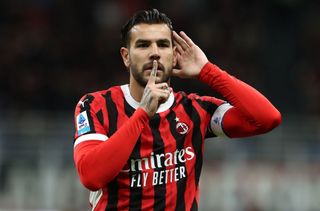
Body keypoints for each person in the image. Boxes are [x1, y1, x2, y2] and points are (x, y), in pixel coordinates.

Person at [73, 9, 281, 211]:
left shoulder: (195, 110)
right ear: (126, 56)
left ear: (173, 55)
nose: (154, 53)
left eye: (162, 45)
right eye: (143, 45)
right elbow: (91, 176)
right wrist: (143, 113)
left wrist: (208, 71)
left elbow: (267, 118)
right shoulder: (96, 105)